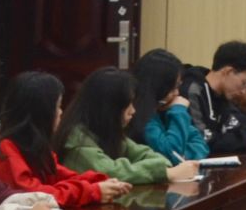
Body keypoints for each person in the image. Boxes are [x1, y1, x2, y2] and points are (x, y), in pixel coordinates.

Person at [0, 72, 131, 210]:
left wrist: (99, 182)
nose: (61, 112)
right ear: (42, 112)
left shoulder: (35, 146)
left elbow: (62, 175)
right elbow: (35, 196)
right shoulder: (6, 149)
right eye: (57, 107)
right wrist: (92, 191)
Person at [59, 69, 199, 186]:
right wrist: (164, 172)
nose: (133, 111)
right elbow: (111, 173)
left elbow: (148, 154)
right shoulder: (77, 140)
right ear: (108, 108)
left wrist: (162, 168)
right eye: (127, 105)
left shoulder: (106, 131)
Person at [183, 42, 246, 155]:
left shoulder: (222, 95)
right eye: (244, 82)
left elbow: (239, 126)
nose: (243, 91)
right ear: (228, 71)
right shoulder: (192, 90)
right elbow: (203, 140)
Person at [133, 51, 209, 164]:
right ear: (157, 87)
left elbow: (201, 146)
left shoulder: (167, 109)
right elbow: (173, 155)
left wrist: (181, 156)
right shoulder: (142, 117)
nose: (177, 93)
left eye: (178, 86)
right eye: (172, 88)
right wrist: (179, 111)